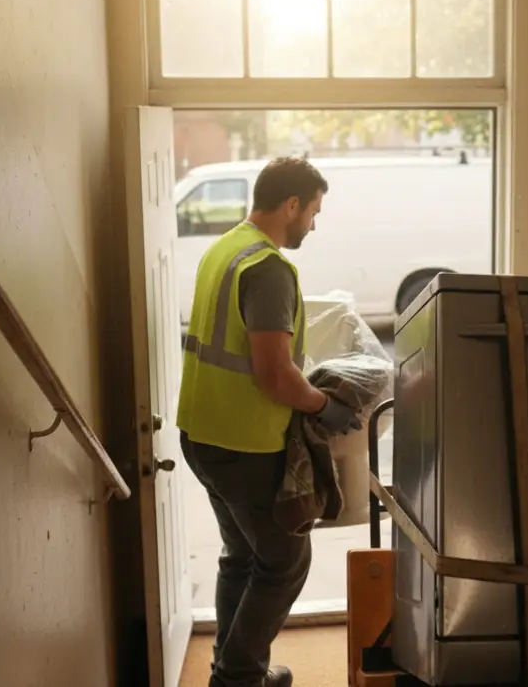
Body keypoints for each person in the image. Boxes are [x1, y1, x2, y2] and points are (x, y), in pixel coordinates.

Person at [176, 156, 357, 687]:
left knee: (240, 558)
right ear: (292, 204)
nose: (314, 225)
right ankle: (238, 677)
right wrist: (327, 407)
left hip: (203, 437)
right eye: (313, 212)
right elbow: (276, 376)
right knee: (284, 566)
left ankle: (236, 668)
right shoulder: (269, 269)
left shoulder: (224, 249)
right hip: (245, 448)